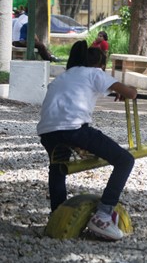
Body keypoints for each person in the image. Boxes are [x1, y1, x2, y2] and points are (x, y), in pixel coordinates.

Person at [37, 41, 138, 240]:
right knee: (125, 160)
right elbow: (131, 93)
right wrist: (126, 89)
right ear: (100, 65)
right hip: (74, 129)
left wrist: (112, 90)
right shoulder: (95, 73)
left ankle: (57, 214)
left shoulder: (63, 76)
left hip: (47, 132)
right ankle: (103, 215)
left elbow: (81, 90)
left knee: (59, 167)